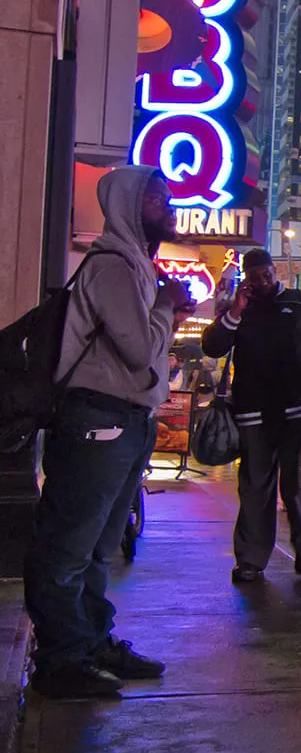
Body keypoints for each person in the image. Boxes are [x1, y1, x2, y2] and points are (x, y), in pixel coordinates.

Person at [24, 166, 194, 697]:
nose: (167, 205)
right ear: (126, 204)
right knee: (69, 546)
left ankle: (92, 642)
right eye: (155, 197)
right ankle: (61, 660)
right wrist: (167, 306)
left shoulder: (136, 265)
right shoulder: (112, 267)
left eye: (167, 196)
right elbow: (139, 350)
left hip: (126, 422)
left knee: (99, 548)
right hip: (96, 420)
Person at [201, 247, 301, 583]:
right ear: (246, 280)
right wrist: (235, 310)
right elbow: (212, 346)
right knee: (254, 487)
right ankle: (250, 558)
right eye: (255, 277)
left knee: (298, 486)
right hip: (253, 413)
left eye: (267, 274)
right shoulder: (239, 310)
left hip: (298, 412)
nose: (262, 281)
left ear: (275, 272)